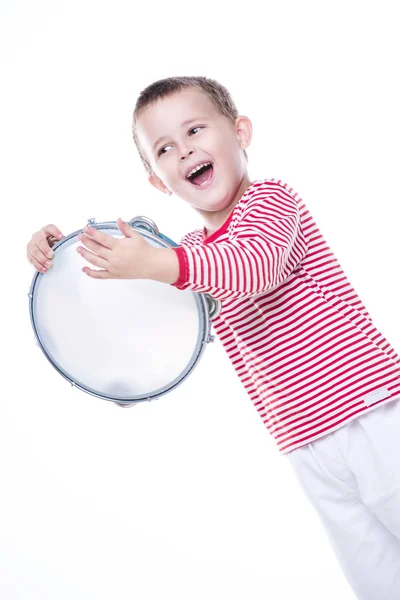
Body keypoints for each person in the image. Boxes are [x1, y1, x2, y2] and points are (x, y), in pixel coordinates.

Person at [26, 76, 400, 599]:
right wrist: (62, 258)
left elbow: (252, 265)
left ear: (240, 132)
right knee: (377, 578)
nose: (184, 151)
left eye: (195, 130)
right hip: (303, 443)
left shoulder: (270, 200)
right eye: (164, 149)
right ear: (159, 182)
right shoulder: (191, 253)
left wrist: (161, 263)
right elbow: (164, 329)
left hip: (371, 412)